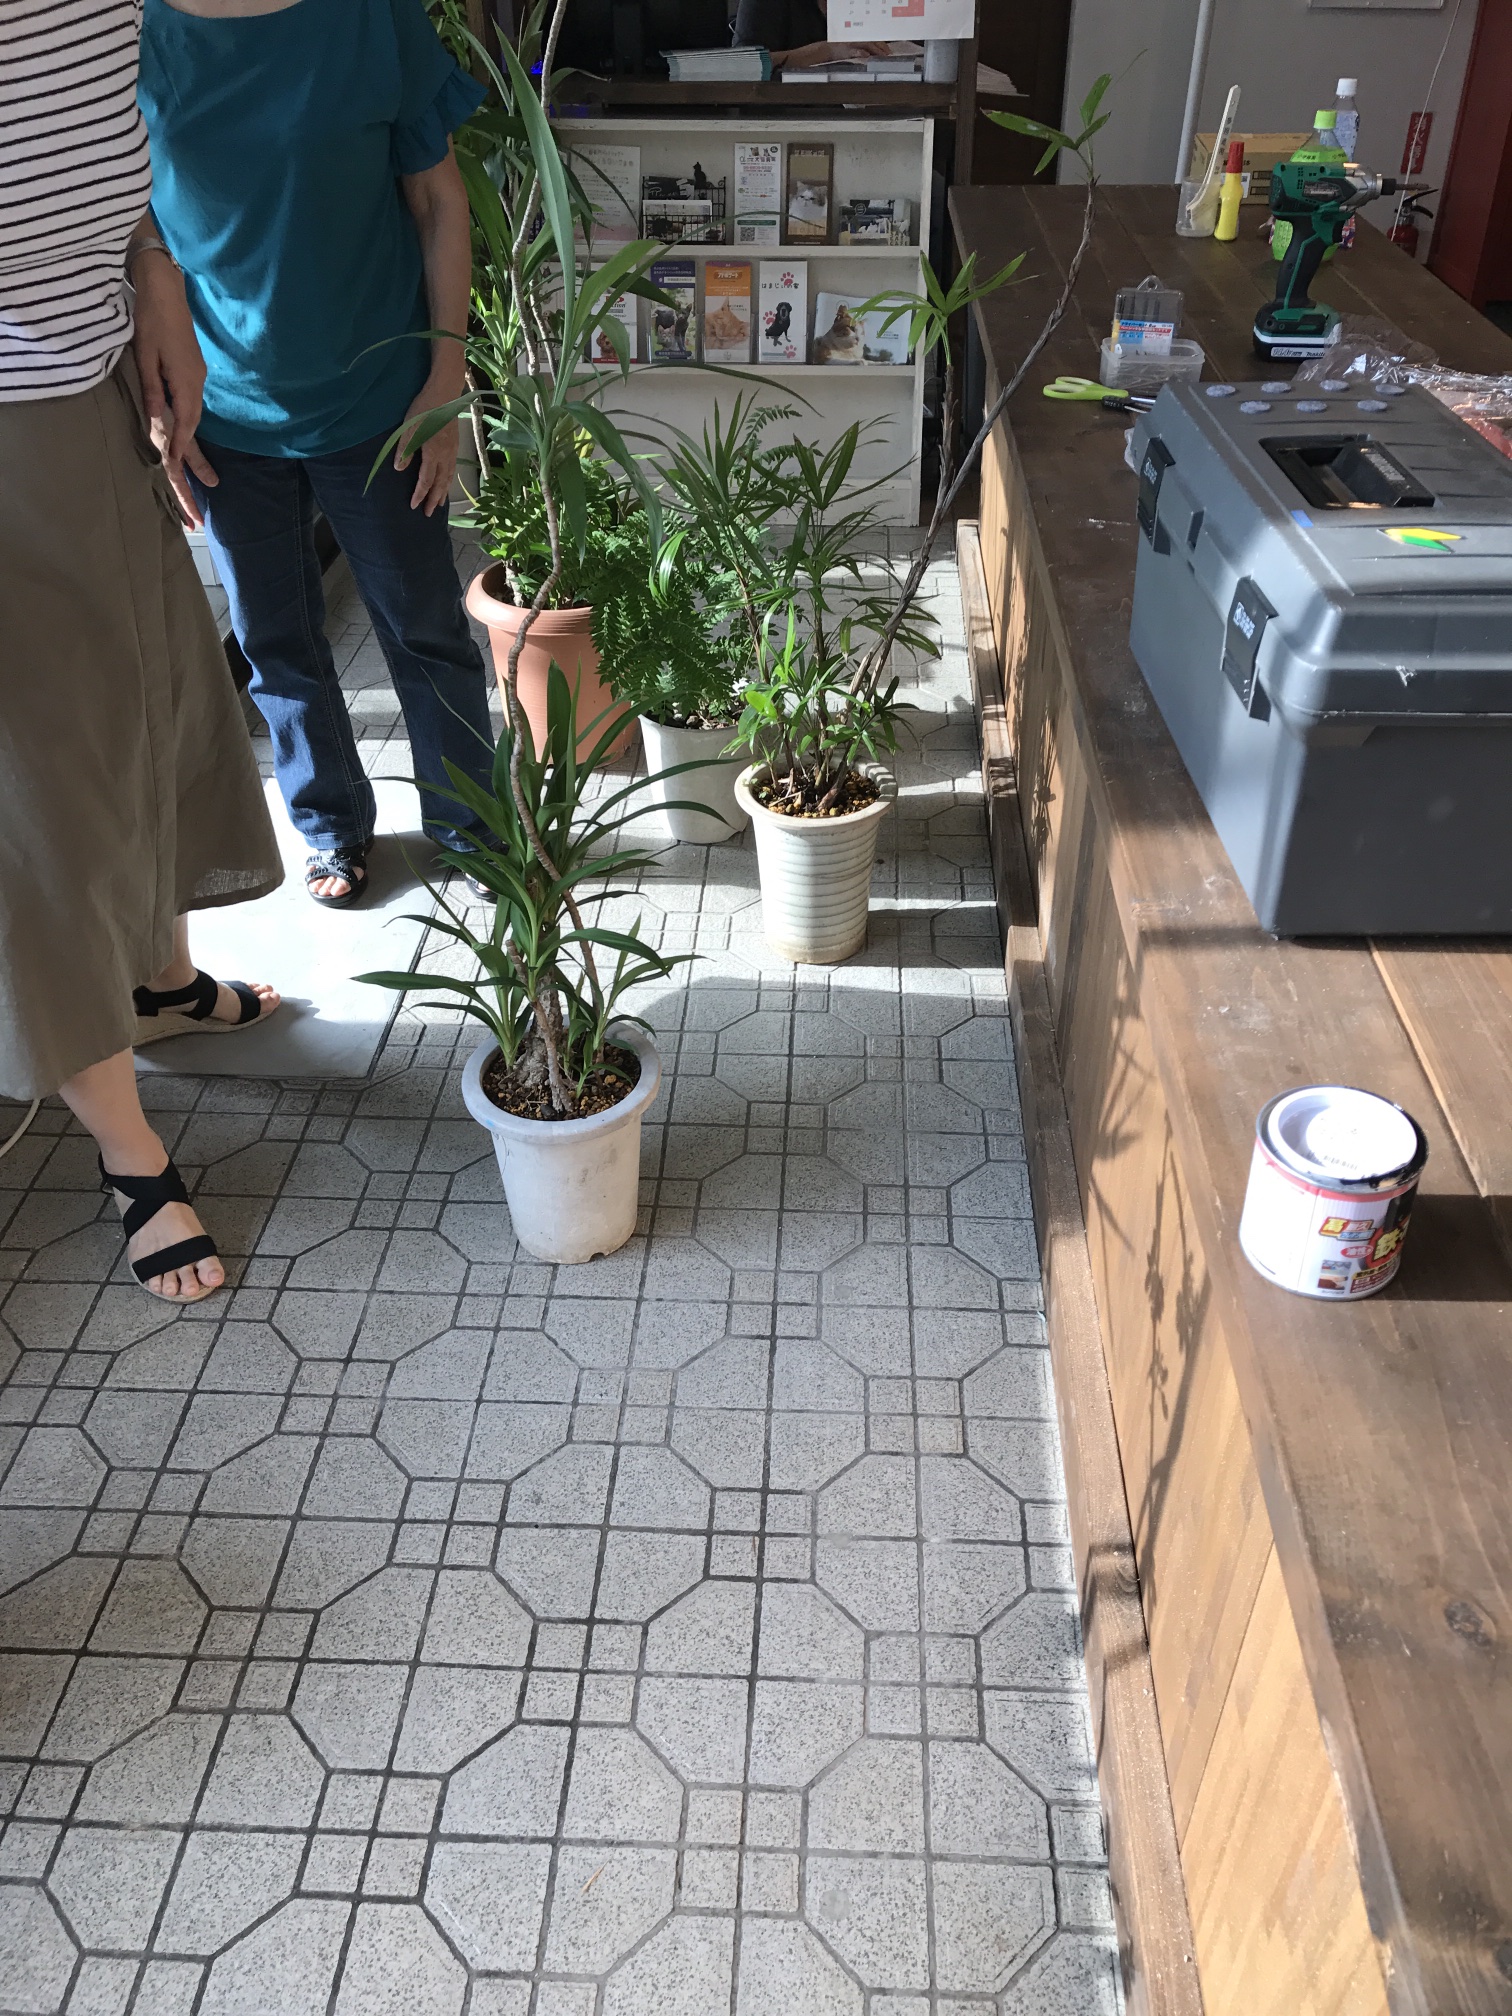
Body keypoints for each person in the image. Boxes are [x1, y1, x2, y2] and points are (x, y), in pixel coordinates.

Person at [1, 0, 284, 1305]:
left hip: (100, 358)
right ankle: (127, 1149)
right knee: (40, 794)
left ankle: (163, 981)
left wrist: (153, 268)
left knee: (158, 681)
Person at [138, 0, 496, 908]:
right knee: (274, 639)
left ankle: (472, 823)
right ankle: (330, 824)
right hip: (221, 408)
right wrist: (158, 399)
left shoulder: (371, 16)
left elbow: (439, 200)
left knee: (425, 628)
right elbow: (130, 230)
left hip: (381, 398)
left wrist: (445, 376)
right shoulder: (131, 31)